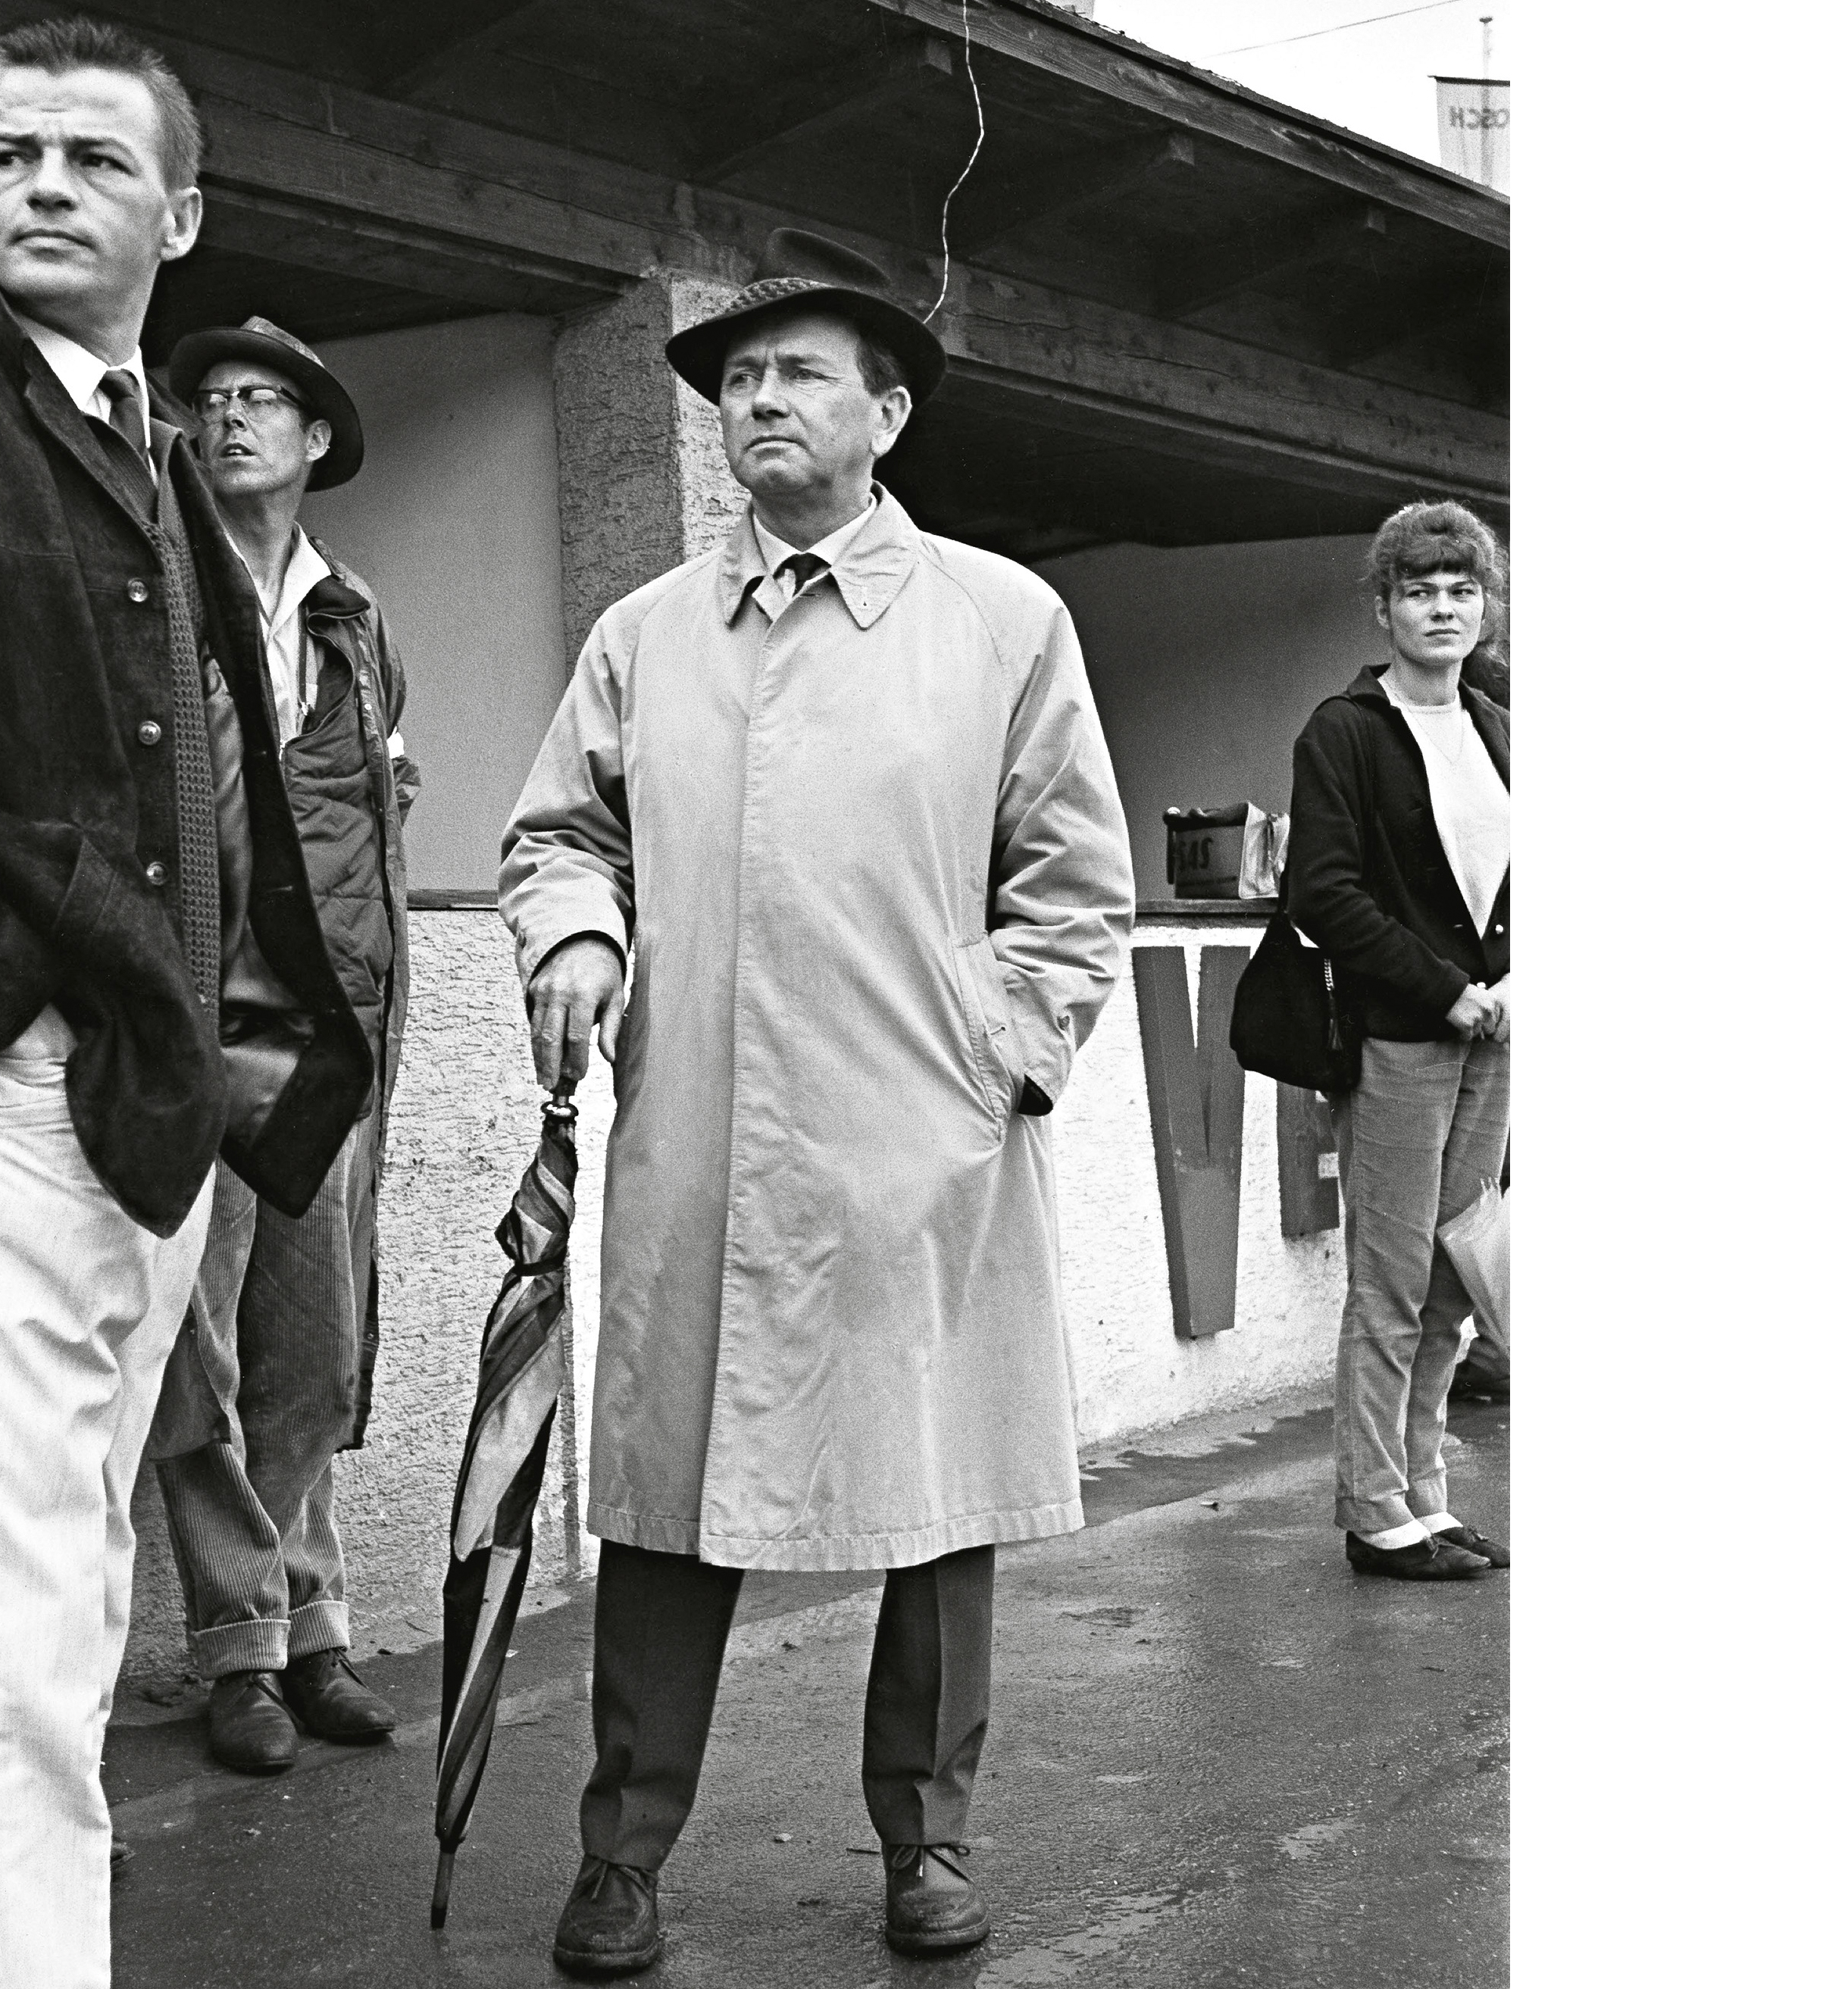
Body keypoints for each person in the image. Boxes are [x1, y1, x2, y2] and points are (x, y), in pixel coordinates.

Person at [500, 228, 1136, 1976]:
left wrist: (1000, 1050)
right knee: (665, 1500)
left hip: (913, 1134)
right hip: (700, 1126)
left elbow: (1075, 877)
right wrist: (573, 936)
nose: (759, 402)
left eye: (797, 373)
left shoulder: (1006, 618)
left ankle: (927, 1841)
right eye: (737, 380)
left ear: (889, 410)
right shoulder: (645, 631)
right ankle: (622, 1856)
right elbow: (561, 832)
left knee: (933, 1502)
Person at [0, 20, 370, 1987]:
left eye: (92, 159)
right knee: (9, 1630)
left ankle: (288, 1620)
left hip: (183, 1087)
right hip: (24, 1081)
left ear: (176, 211)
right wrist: (4, 991)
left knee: (82, 1551)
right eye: (5, 150)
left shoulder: (144, 458)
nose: (40, 182)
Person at [141, 316, 421, 1775]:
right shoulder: (158, 583)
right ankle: (243, 1640)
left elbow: (378, 807)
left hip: (328, 1034)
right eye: (216, 399)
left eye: (269, 402)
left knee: (310, 1349)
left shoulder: (352, 619)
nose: (234, 417)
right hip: (197, 1023)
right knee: (202, 1357)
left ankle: (315, 1627)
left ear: (318, 444)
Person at [1281, 500, 1512, 1584]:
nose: (1441, 607)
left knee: (1455, 1279)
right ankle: (1375, 1510)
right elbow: (1324, 890)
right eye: (1419, 590)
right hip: (1402, 1041)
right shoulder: (1346, 731)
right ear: (1384, 606)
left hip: (1497, 1037)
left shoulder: (1500, 724)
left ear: (1485, 605)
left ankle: (1426, 1493)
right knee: (1390, 1282)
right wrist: (1446, 989)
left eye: (1460, 588)